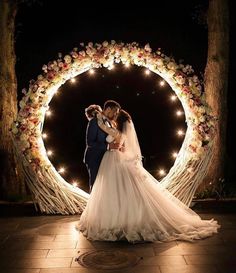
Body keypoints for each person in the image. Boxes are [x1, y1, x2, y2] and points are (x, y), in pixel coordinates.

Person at [78, 109, 220, 243]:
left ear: (118, 120)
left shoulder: (115, 131)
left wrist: (99, 118)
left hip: (113, 161)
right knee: (118, 190)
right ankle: (121, 217)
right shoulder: (120, 131)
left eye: (115, 115)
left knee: (112, 190)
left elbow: (107, 134)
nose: (113, 117)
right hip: (114, 161)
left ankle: (114, 219)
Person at [83, 100, 121, 192]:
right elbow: (90, 142)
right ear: (108, 109)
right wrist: (108, 147)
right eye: (115, 112)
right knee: (96, 185)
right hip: (94, 157)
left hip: (105, 158)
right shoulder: (94, 121)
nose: (115, 115)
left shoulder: (107, 123)